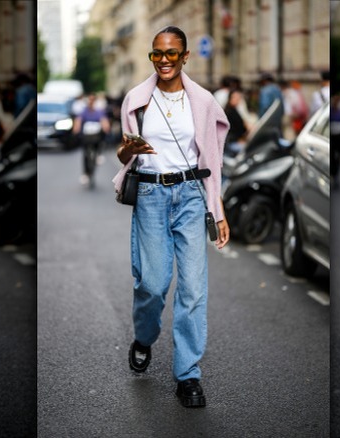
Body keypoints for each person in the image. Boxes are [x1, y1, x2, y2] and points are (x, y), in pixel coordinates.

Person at [111, 25, 230, 408]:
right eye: (157, 54)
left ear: (184, 56)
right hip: (149, 193)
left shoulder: (204, 101)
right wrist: (126, 153)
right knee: (152, 283)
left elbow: (213, 161)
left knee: (193, 289)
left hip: (192, 195)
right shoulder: (136, 100)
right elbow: (127, 155)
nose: (164, 60)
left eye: (171, 53)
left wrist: (218, 209)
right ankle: (144, 336)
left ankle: (188, 374)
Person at [73, 93, 110, 187]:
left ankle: (98, 154)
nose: (91, 101)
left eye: (93, 99)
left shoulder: (99, 111)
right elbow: (78, 120)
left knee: (100, 141)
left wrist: (106, 127)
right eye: (90, 99)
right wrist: (76, 128)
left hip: (96, 136)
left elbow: (104, 120)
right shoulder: (84, 111)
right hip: (86, 136)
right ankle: (86, 172)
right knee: (85, 154)